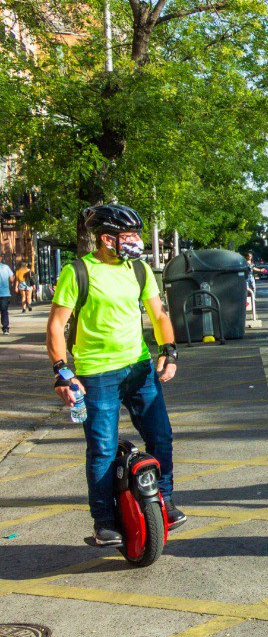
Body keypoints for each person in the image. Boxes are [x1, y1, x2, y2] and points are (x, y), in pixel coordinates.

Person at [45, 204, 184, 545]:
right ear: (107, 239)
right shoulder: (78, 271)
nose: (137, 241)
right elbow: (56, 325)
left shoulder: (139, 269)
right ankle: (104, 521)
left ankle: (164, 500)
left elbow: (159, 314)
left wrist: (168, 351)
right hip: (97, 375)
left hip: (139, 369)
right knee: (103, 450)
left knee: (162, 437)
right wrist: (63, 372)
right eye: (129, 236)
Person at [0, 256, 13, 333]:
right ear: (0, 258)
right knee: (4, 311)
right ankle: (5, 328)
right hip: (5, 293)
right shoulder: (6, 267)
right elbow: (11, 279)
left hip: (5, 293)